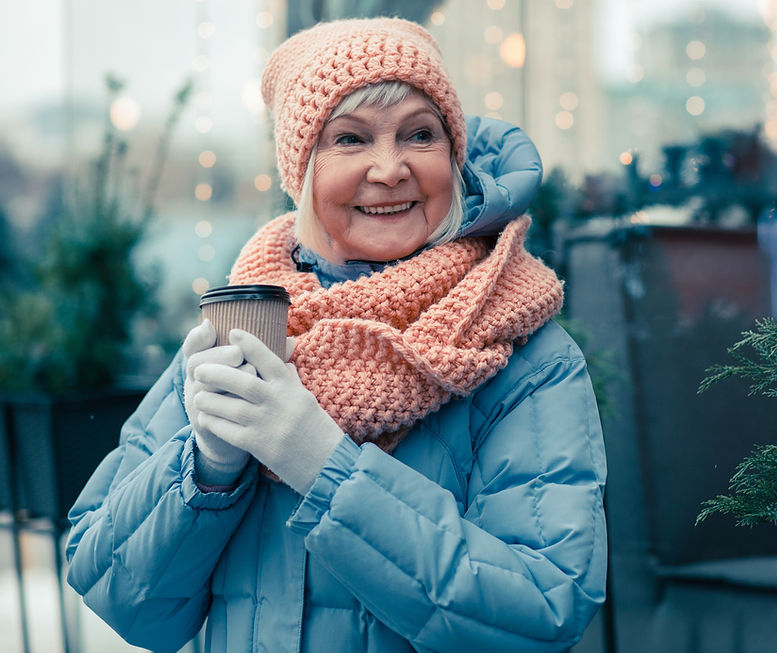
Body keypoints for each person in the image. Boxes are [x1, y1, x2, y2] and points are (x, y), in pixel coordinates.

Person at [65, 16, 607, 653]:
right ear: (302, 170)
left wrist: (324, 465)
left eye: (420, 134)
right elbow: (118, 594)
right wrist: (206, 470)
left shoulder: (524, 355)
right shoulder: (246, 329)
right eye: (349, 139)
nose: (390, 168)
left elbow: (544, 608)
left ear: (452, 156)